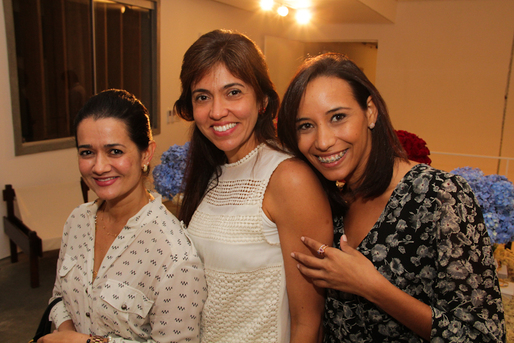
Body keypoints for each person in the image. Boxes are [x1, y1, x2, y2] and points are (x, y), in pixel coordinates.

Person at [277, 53, 505, 342]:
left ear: (370, 112)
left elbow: (484, 336)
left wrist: (373, 287)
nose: (322, 141)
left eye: (338, 117)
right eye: (305, 126)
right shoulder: (328, 201)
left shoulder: (441, 196)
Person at [174, 29, 334, 342]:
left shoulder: (288, 178)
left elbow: (308, 322)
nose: (217, 111)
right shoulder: (214, 171)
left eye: (233, 92)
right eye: (202, 97)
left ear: (262, 100)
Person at [39, 89, 207, 343]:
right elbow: (59, 295)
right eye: (87, 152)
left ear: (146, 154)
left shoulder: (175, 255)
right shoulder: (77, 221)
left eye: (114, 151)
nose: (99, 167)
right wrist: (64, 332)